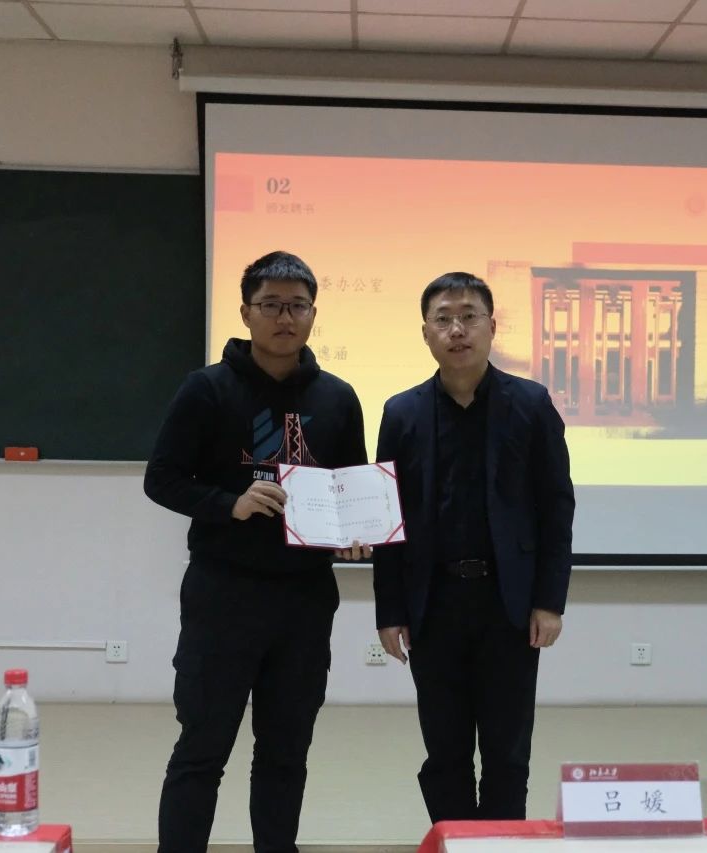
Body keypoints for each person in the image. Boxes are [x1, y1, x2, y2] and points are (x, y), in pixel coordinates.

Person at [144, 250, 370, 853]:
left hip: (305, 599)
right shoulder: (206, 390)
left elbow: (351, 487)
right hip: (223, 593)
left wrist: (356, 531)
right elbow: (161, 479)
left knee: (286, 752)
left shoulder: (338, 398)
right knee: (202, 748)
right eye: (271, 305)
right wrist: (230, 504)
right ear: (246, 313)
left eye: (297, 306)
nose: (285, 318)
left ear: (314, 313)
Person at [373, 271, 575, 822]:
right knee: (445, 751)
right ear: (425, 332)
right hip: (433, 603)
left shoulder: (531, 404)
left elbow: (556, 507)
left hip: (508, 604)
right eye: (443, 319)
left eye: (469, 317)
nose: (457, 330)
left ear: (492, 326)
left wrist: (549, 601)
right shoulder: (402, 412)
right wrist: (390, 611)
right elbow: (388, 518)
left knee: (508, 751)